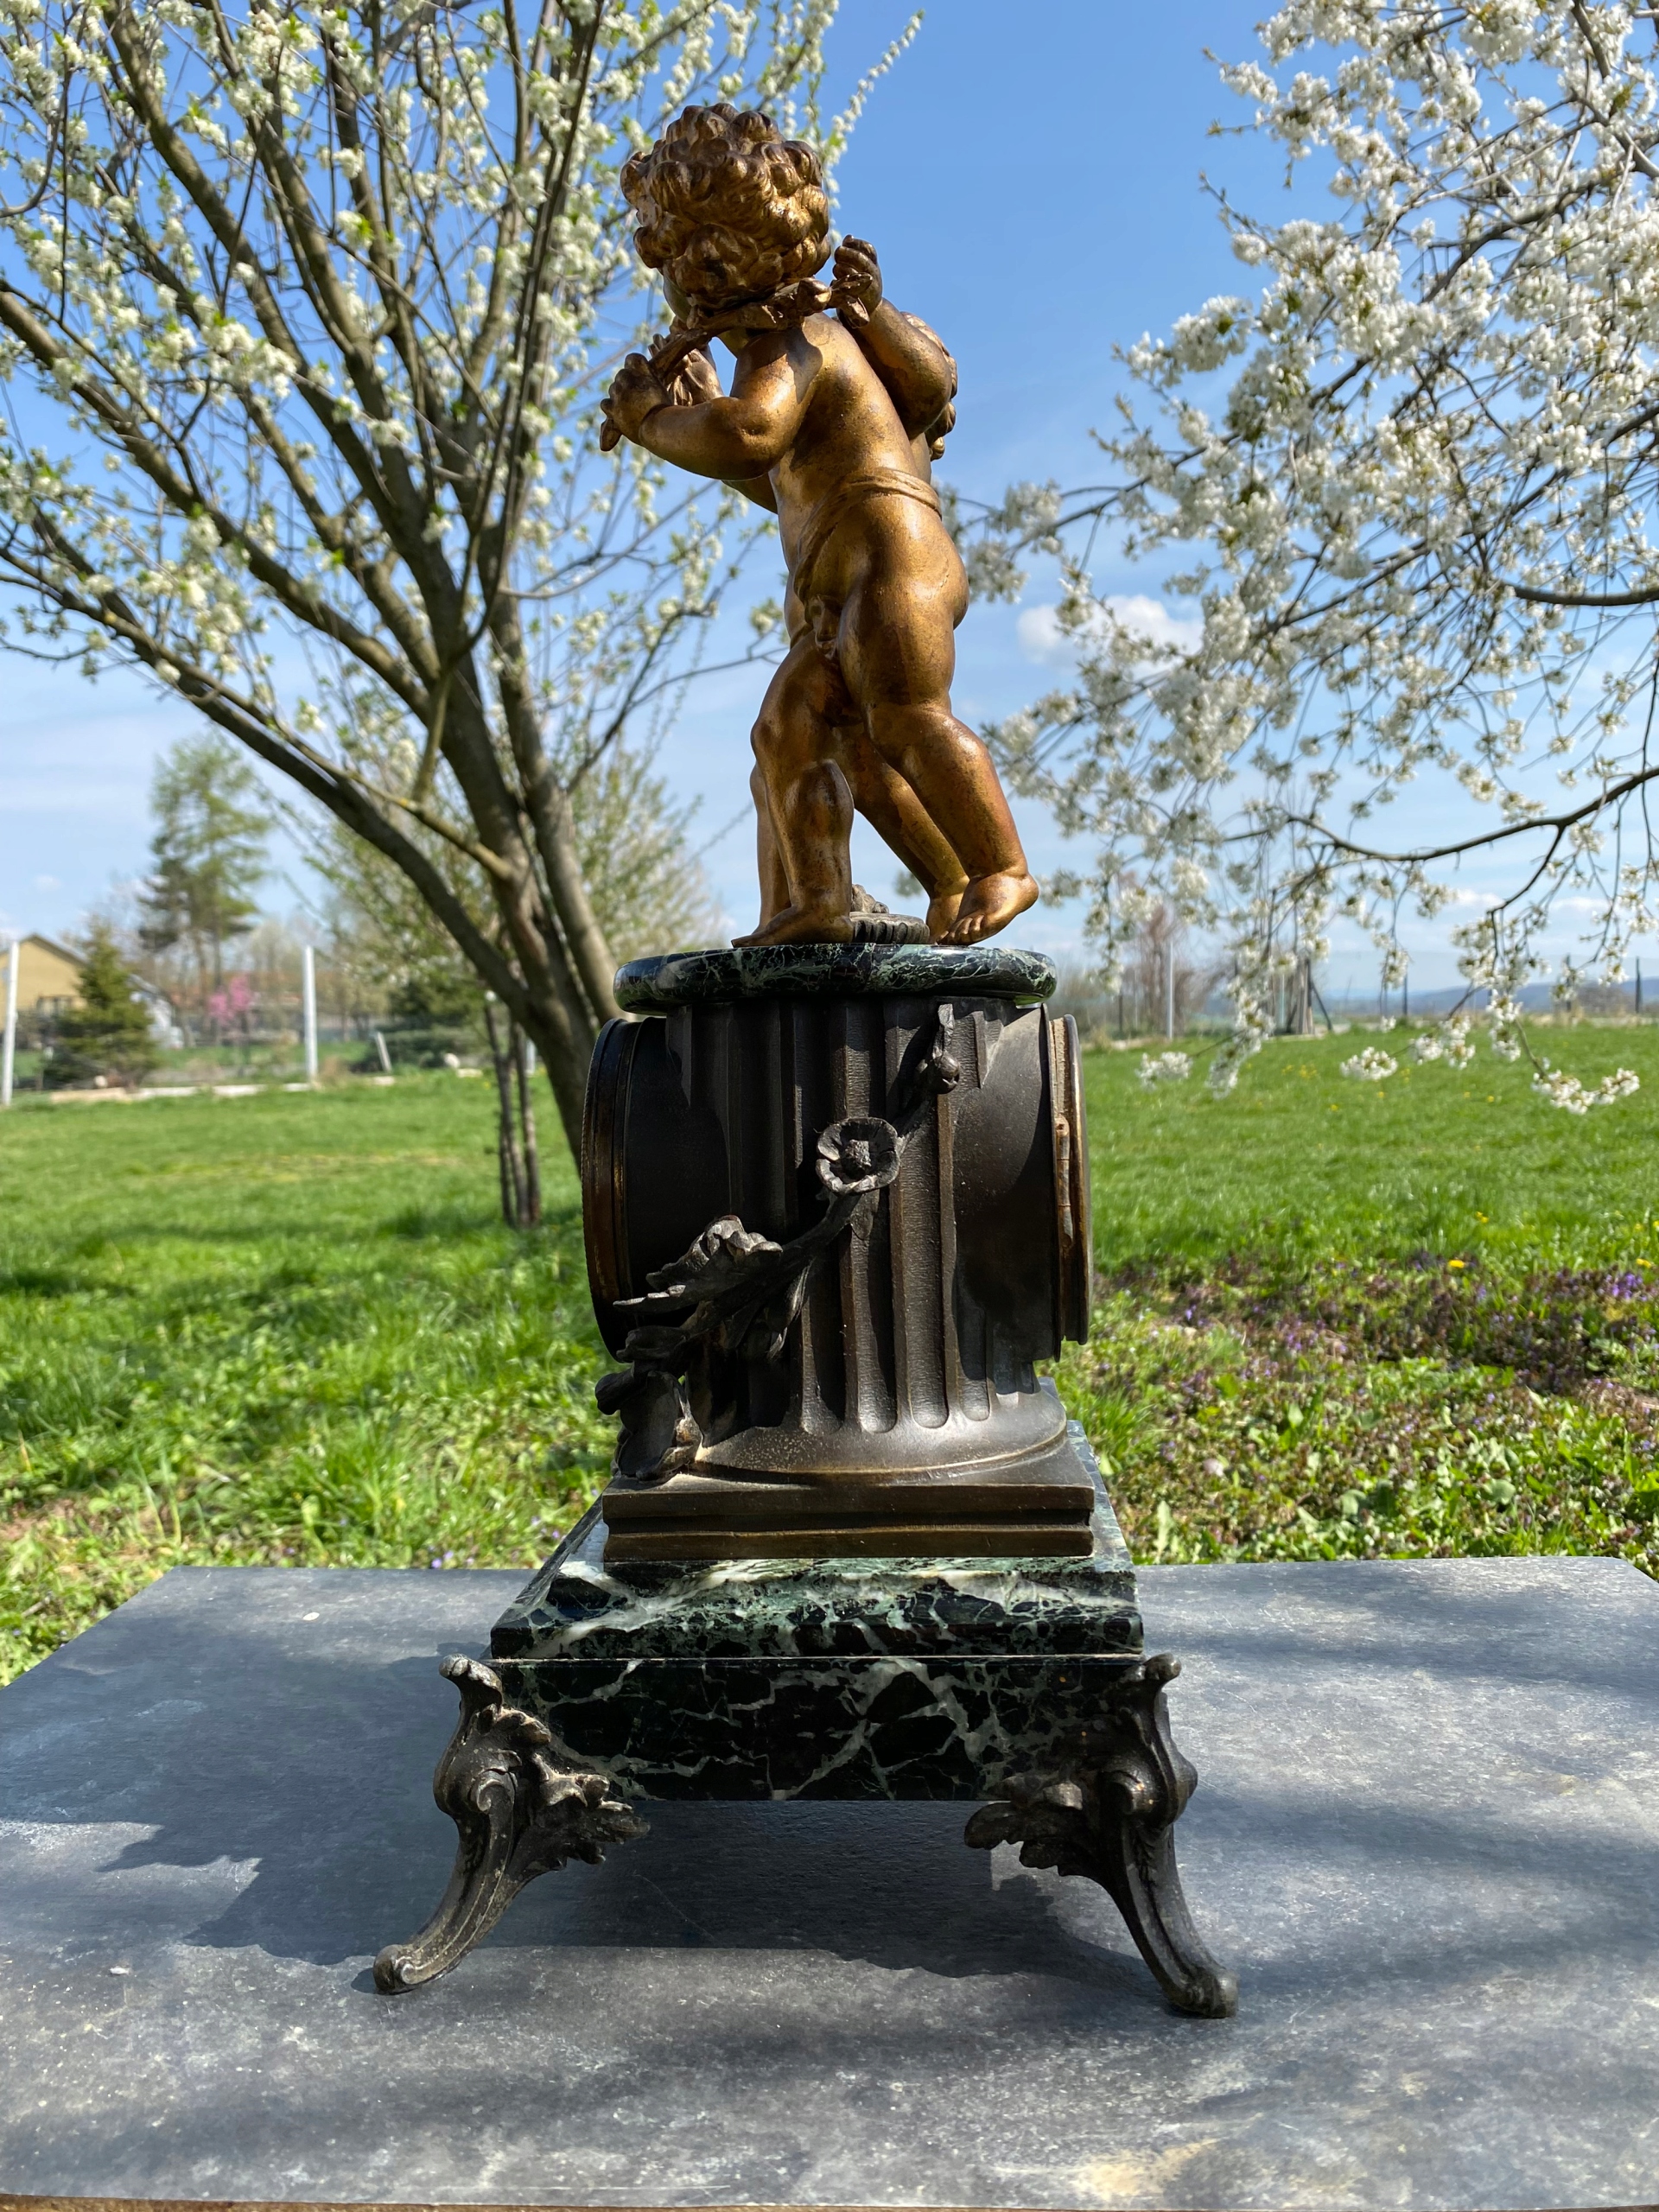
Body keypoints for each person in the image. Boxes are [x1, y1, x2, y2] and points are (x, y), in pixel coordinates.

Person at [601, 103, 1039, 948]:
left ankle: (1002, 866)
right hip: (836, 591)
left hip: (893, 565)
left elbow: (750, 434)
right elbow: (780, 483)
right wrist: (697, 408)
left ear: (708, 265)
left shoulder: (797, 342)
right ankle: (826, 901)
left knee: (907, 718)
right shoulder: (771, 353)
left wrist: (654, 420)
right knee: (790, 732)